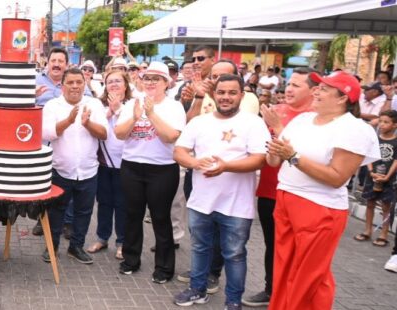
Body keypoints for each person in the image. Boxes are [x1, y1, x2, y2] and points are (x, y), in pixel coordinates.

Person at [265, 71, 380, 310]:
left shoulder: (354, 128)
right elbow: (274, 161)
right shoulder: (302, 120)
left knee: (309, 277)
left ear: (342, 98)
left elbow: (337, 177)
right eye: (318, 86)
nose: (316, 91)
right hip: (286, 199)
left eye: (324, 88)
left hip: (320, 209)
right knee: (284, 269)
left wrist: (293, 157)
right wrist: (276, 141)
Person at [172, 74, 270, 310]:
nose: (226, 97)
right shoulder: (199, 122)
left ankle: (233, 302)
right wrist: (195, 164)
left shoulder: (253, 123)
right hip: (200, 201)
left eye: (232, 92)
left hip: (237, 205)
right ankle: (197, 290)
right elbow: (179, 151)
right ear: (213, 94)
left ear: (242, 95)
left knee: (235, 255)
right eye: (221, 92)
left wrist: (226, 166)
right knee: (199, 248)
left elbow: (260, 160)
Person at [243, 67, 318, 307]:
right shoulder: (275, 111)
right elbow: (265, 149)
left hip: (304, 194)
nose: (289, 89)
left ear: (314, 90)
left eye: (297, 85)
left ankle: (296, 295)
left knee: (302, 250)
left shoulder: (316, 117)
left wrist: (278, 127)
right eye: (290, 83)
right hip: (270, 190)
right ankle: (271, 289)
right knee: (273, 244)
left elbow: (306, 155)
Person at [114, 62, 186, 282]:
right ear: (141, 81)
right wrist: (136, 117)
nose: (151, 82)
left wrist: (151, 113)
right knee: (132, 215)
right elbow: (119, 134)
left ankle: (164, 268)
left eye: (157, 78)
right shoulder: (131, 104)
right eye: (148, 78)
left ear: (166, 82)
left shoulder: (174, 107)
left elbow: (170, 137)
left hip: (162, 169)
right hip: (132, 166)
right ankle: (131, 260)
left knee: (160, 217)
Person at [41, 68, 107, 264]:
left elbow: (104, 134)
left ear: (84, 84)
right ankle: (51, 247)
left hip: (88, 170)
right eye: (70, 82)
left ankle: (76, 247)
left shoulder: (94, 104)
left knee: (84, 212)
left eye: (79, 82)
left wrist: (87, 124)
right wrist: (69, 121)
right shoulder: (53, 106)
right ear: (62, 86)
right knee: (56, 211)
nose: (75, 86)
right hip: (60, 170)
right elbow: (47, 134)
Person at [86, 69, 128, 260]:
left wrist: (118, 110)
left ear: (126, 85)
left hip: (126, 165)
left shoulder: (133, 105)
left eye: (118, 81)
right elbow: (98, 129)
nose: (114, 84)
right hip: (104, 163)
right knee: (104, 203)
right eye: (110, 81)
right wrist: (109, 112)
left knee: (122, 205)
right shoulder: (99, 106)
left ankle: (122, 242)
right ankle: (102, 238)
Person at [354, 110, 397, 247]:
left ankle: (383, 234)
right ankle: (367, 231)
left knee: (386, 206)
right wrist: (372, 172)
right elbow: (367, 156)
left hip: (389, 179)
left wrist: (387, 176)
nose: (382, 125)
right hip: (372, 176)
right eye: (381, 121)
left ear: (395, 125)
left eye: (386, 122)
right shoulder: (374, 139)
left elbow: (396, 161)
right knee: (370, 203)